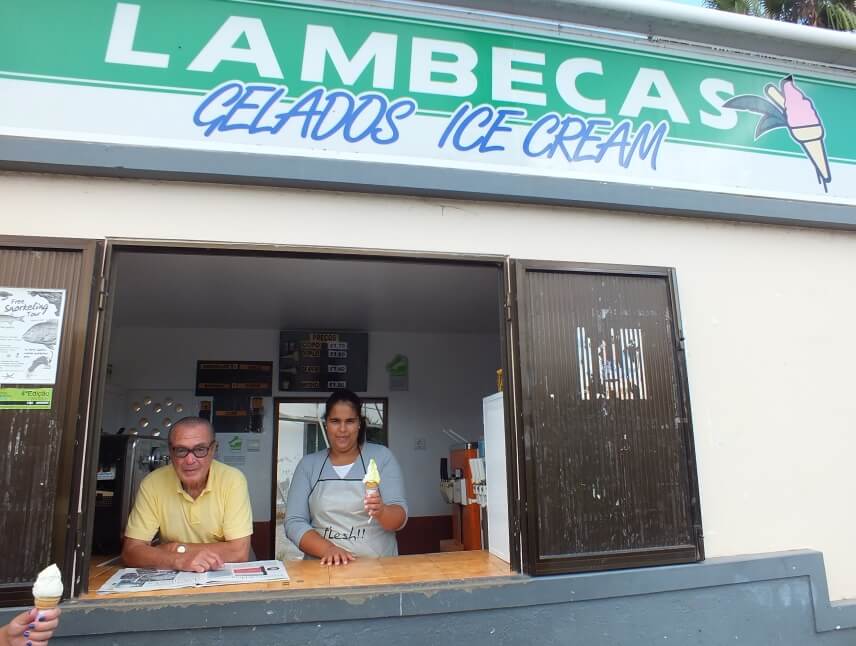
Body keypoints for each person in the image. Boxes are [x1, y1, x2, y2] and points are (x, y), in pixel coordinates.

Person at [285, 390, 408, 565]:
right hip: (323, 569)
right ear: (326, 423)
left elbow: (399, 517)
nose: (342, 429)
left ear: (359, 424)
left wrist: (382, 511)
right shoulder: (308, 465)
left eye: (350, 421)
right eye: (335, 421)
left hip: (378, 569)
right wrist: (328, 549)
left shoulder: (381, 457)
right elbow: (294, 522)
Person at [121, 417, 253, 572]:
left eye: (200, 449)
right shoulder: (152, 483)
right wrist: (178, 560)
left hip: (224, 571)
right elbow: (131, 552)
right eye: (181, 450)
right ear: (170, 452)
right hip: (176, 574)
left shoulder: (232, 480)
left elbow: (239, 552)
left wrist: (175, 548)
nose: (190, 460)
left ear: (213, 449)